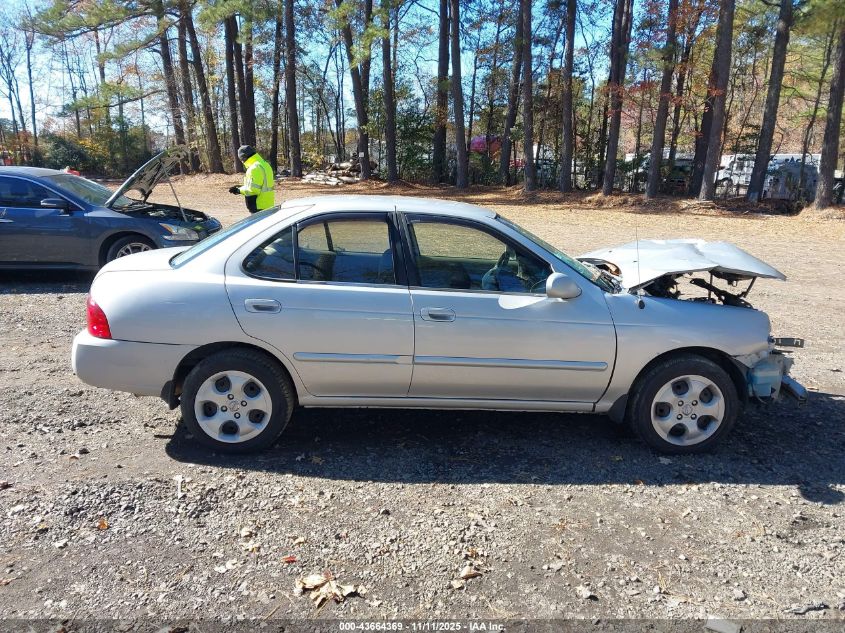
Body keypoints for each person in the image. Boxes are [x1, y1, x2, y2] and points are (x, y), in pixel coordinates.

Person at [228, 145, 275, 213]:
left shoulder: (254, 168)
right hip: (268, 205)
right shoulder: (265, 164)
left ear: (244, 157)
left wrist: (239, 190)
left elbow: (253, 190)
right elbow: (259, 185)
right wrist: (242, 187)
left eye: (241, 159)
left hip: (258, 206)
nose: (241, 162)